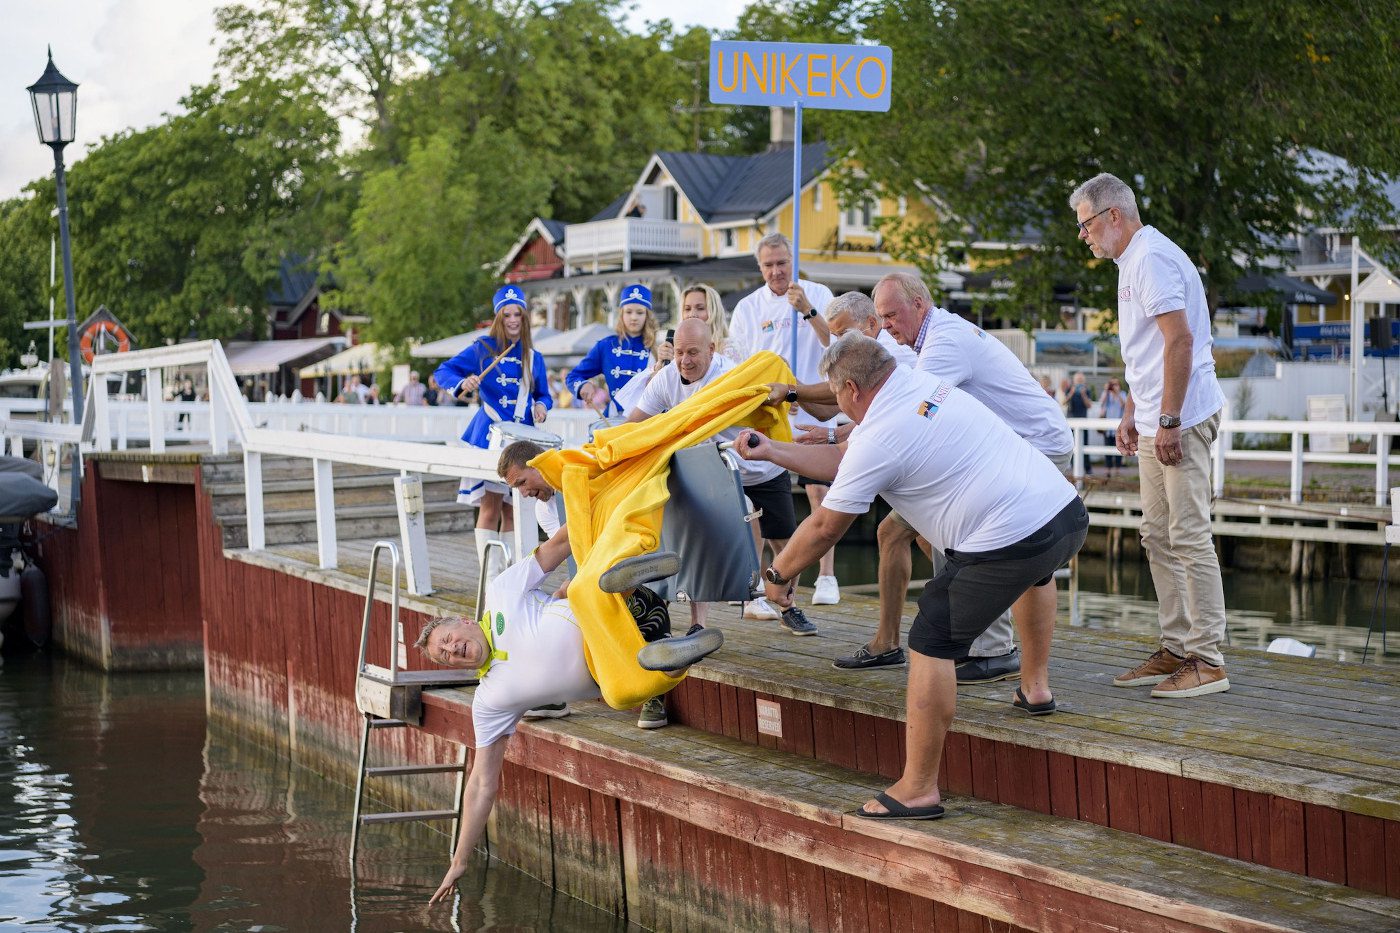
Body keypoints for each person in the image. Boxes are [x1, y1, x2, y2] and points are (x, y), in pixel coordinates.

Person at [735, 334, 1087, 820]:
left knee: (931, 637)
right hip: (1063, 515)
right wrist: (773, 450)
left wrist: (777, 573)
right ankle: (1036, 689)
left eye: (837, 394)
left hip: (1009, 537)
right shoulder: (917, 384)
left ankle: (918, 788)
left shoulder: (881, 434)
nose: (837, 403)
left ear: (853, 389)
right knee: (1037, 574)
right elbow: (844, 462)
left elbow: (823, 527)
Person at [418, 540, 722, 905]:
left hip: (625, 613)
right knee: (624, 694)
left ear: (465, 622)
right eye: (445, 657)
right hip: (619, 667)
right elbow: (482, 782)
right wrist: (459, 859)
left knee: (580, 588)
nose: (452, 651)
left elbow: (561, 543)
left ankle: (633, 575)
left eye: (449, 640)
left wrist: (585, 503)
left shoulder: (500, 592)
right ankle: (686, 645)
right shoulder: (489, 701)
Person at [1071, 171, 1229, 698]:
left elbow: (1180, 341)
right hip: (1155, 417)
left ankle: (1208, 658)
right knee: (1156, 534)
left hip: (1180, 417)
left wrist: (1166, 420)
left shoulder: (1151, 258)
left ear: (1114, 215)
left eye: (1087, 223)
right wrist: (1133, 413)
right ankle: (1177, 645)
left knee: (1188, 534)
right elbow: (1149, 351)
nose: (1084, 235)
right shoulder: (1130, 260)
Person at [627, 319, 817, 640]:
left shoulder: (731, 374)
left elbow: (772, 383)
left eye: (693, 353)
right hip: (715, 470)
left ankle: (788, 606)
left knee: (785, 542)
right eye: (679, 353)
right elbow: (633, 426)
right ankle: (698, 621)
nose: (685, 361)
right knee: (697, 538)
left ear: (712, 350)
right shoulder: (666, 379)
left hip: (762, 468)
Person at [729, 232, 841, 613]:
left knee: (821, 493)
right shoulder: (747, 307)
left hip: (814, 405)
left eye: (782, 263)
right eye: (769, 265)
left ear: (792, 261)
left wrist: (807, 309)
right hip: (771, 411)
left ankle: (827, 575)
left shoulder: (818, 293)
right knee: (761, 505)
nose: (776, 271)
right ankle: (765, 587)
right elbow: (740, 368)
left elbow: (838, 346)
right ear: (760, 267)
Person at [434, 285, 552, 534]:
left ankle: (510, 570)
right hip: (489, 434)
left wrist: (541, 405)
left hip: (523, 437)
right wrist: (462, 383)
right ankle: (491, 572)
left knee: (515, 510)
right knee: (490, 507)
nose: (512, 320)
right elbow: (443, 371)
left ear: (524, 317)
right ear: (499, 317)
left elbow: (543, 394)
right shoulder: (483, 348)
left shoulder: (533, 356)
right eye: (506, 315)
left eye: (517, 314)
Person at [566, 284, 659, 417]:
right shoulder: (606, 346)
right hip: (613, 418)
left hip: (645, 421)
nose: (634, 317)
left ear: (647, 315)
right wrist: (582, 385)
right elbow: (573, 376)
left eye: (639, 312)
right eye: (628, 311)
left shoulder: (656, 350)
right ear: (621, 314)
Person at [1066, 372, 1096, 475]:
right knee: (1072, 445)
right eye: (1077, 380)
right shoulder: (1069, 389)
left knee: (1085, 444)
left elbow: (1089, 405)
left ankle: (1087, 468)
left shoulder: (1086, 390)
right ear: (1074, 381)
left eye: (1081, 380)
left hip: (1083, 421)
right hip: (1071, 421)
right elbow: (1064, 402)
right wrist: (1071, 392)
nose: (1079, 382)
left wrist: (1083, 394)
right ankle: (1073, 467)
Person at [1098, 378, 1128, 478]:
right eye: (1112, 384)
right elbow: (1101, 403)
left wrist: (1117, 394)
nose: (1114, 386)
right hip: (1107, 426)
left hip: (1118, 425)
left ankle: (1118, 470)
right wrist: (1107, 391)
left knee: (1119, 448)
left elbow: (1124, 404)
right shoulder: (1106, 394)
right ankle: (1108, 470)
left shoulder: (1123, 394)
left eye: (1116, 384)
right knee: (1107, 447)